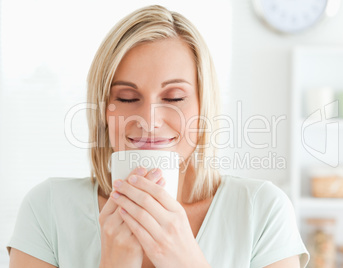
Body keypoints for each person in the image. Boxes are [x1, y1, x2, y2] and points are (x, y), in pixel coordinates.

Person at [6, 5, 309, 268]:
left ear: (204, 106)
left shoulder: (262, 210)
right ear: (103, 113)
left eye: (175, 97)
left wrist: (186, 260)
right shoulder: (46, 209)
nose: (149, 121)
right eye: (126, 98)